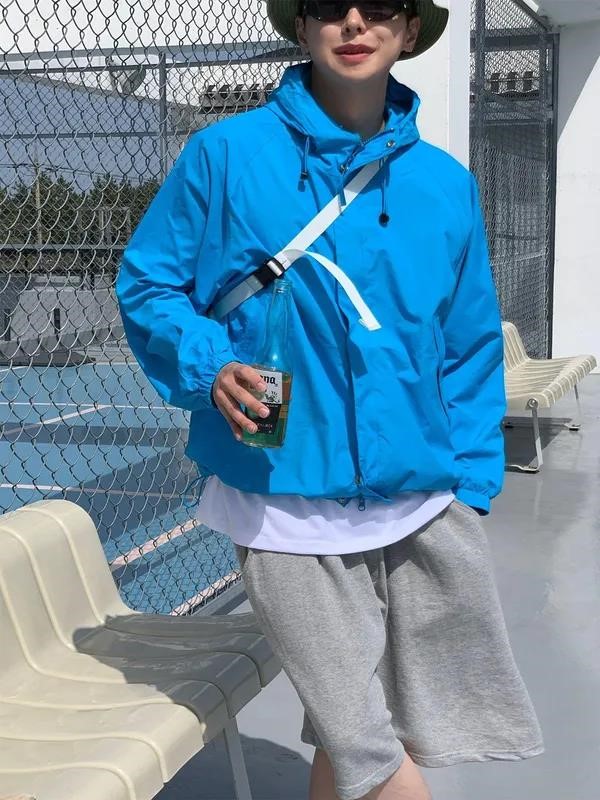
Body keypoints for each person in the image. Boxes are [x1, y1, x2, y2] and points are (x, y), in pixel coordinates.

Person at [117, 1, 544, 798]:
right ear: (302, 26)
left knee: (365, 730)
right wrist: (210, 364)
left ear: (408, 31)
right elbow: (150, 285)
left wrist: (471, 482)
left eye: (378, 6)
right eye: (328, 4)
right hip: (280, 498)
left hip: (421, 499)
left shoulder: (444, 185)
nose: (353, 22)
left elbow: (468, 343)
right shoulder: (224, 155)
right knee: (367, 746)